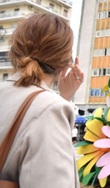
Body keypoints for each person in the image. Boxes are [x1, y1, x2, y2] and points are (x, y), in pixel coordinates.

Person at [0, 12, 84, 187]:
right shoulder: (51, 109)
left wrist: (63, 98)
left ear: (15, 49)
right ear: (66, 61)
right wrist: (60, 101)